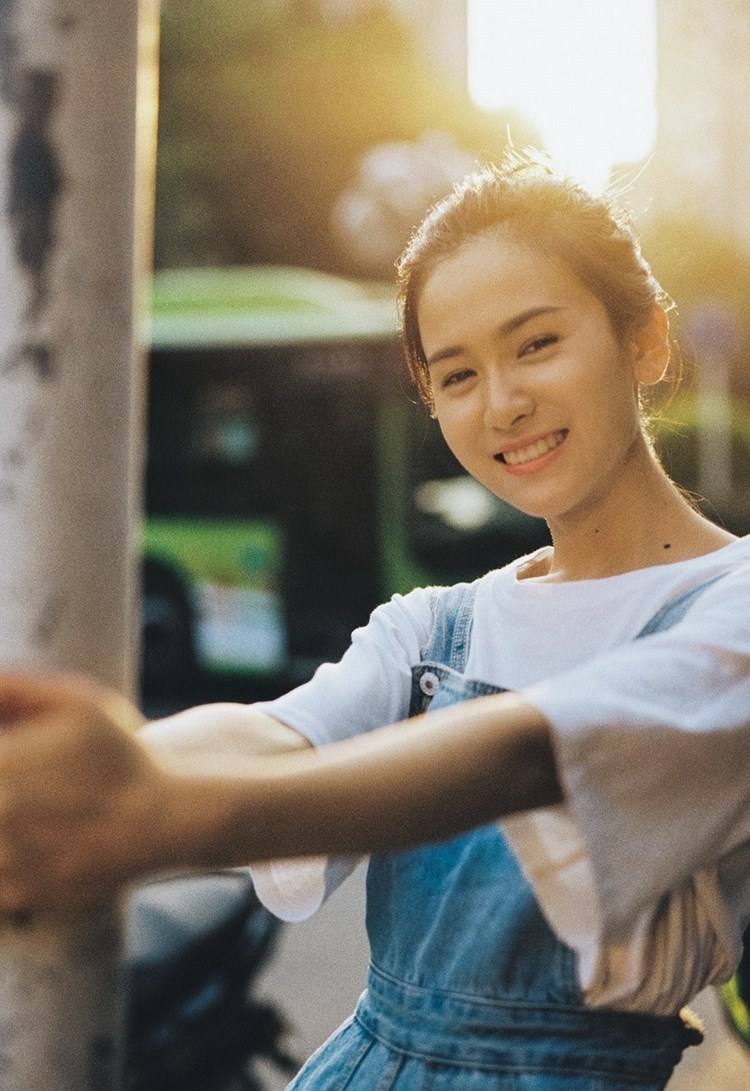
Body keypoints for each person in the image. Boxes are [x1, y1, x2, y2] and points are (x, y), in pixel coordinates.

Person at [1, 153, 750, 1090]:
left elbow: (534, 754)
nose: (502, 402)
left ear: (646, 342)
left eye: (536, 344)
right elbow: (278, 732)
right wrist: (108, 760)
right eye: (457, 374)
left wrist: (154, 815)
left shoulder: (733, 606)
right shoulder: (440, 625)